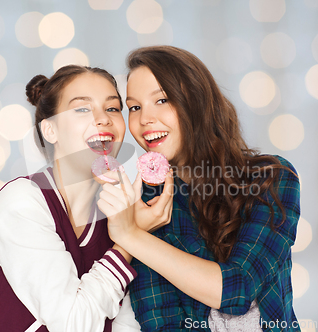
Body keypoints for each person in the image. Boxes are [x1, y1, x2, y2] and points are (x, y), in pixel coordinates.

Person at [97, 46, 301, 331]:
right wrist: (133, 230)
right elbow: (161, 323)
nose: (144, 119)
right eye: (134, 107)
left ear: (197, 101)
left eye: (162, 99)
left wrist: (130, 234)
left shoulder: (270, 178)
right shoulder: (150, 206)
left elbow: (238, 289)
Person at [0, 65, 141, 332]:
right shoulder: (22, 203)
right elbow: (72, 324)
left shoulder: (118, 215)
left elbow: (127, 325)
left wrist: (130, 230)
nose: (103, 118)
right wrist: (129, 242)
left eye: (112, 108)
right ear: (50, 131)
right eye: (82, 109)